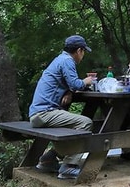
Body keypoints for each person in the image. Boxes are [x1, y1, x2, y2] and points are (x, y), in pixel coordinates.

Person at [29, 35, 96, 179]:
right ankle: (69, 167)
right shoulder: (67, 61)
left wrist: (69, 91)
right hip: (45, 113)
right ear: (79, 51)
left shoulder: (59, 59)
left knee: (73, 126)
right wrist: (87, 81)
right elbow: (76, 84)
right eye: (83, 52)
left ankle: (48, 160)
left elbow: (65, 84)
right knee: (85, 123)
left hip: (38, 113)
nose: (83, 55)